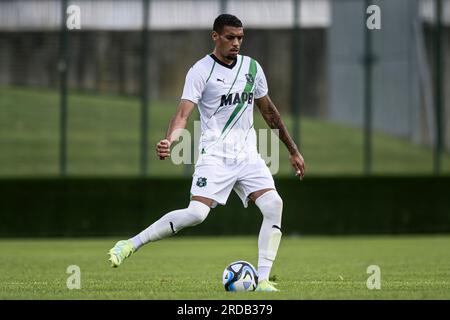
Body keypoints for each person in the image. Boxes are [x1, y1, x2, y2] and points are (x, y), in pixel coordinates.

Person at [108, 14, 305, 292]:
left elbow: (269, 112)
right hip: (215, 156)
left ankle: (262, 280)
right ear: (215, 36)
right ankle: (130, 244)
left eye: (240, 37)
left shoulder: (252, 68)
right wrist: (170, 140)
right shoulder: (200, 71)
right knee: (197, 213)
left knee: (274, 205)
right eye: (230, 37)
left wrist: (293, 151)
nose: (236, 43)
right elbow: (182, 115)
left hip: (248, 156)